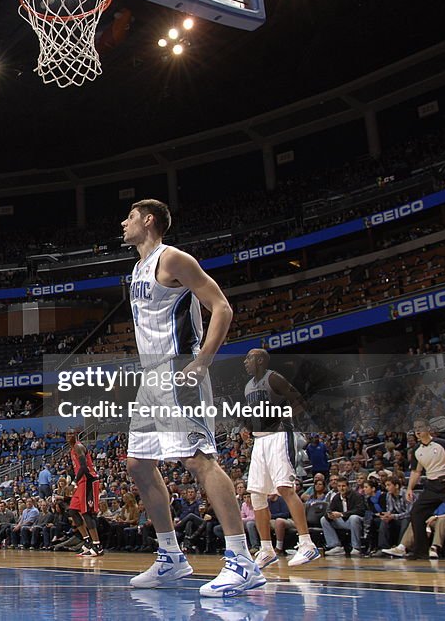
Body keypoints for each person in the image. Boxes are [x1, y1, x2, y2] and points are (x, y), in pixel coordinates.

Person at [120, 200, 264, 597]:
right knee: (137, 463)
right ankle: (171, 556)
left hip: (178, 371)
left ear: (148, 220)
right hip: (151, 378)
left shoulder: (174, 259)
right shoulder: (137, 268)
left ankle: (241, 559)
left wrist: (202, 362)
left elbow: (221, 307)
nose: (123, 223)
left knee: (198, 459)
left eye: (129, 217)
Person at [241, 349, 320, 568]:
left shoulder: (273, 377)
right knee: (256, 495)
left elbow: (299, 400)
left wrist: (282, 417)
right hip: (260, 441)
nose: (245, 361)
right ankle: (266, 549)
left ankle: (307, 544)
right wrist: (246, 426)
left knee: (285, 488)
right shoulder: (248, 387)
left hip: (279, 437)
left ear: (260, 360)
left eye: (249, 358)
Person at [404, 419, 445, 559]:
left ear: (428, 429)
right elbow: (416, 472)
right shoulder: (416, 450)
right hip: (432, 486)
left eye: (420, 427)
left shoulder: (442, 444)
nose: (418, 431)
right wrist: (409, 488)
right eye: (416, 429)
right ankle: (420, 551)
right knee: (416, 513)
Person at [65, 429, 103, 557]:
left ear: (76, 436)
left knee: (87, 513)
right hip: (81, 481)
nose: (70, 436)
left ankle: (97, 546)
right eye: (68, 434)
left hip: (88, 480)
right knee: (73, 510)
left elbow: (84, 467)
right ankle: (87, 542)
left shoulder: (78, 446)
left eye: (72, 434)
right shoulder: (72, 449)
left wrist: (74, 482)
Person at [321, 478, 367, 555]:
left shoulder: (357, 496)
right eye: (339, 486)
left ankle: (356, 547)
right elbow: (329, 510)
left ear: (348, 487)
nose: (341, 488)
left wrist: (342, 514)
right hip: (343, 521)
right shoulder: (336, 497)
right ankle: (335, 546)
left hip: (357, 521)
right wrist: (330, 515)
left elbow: (360, 510)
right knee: (323, 519)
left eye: (343, 486)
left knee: (354, 518)